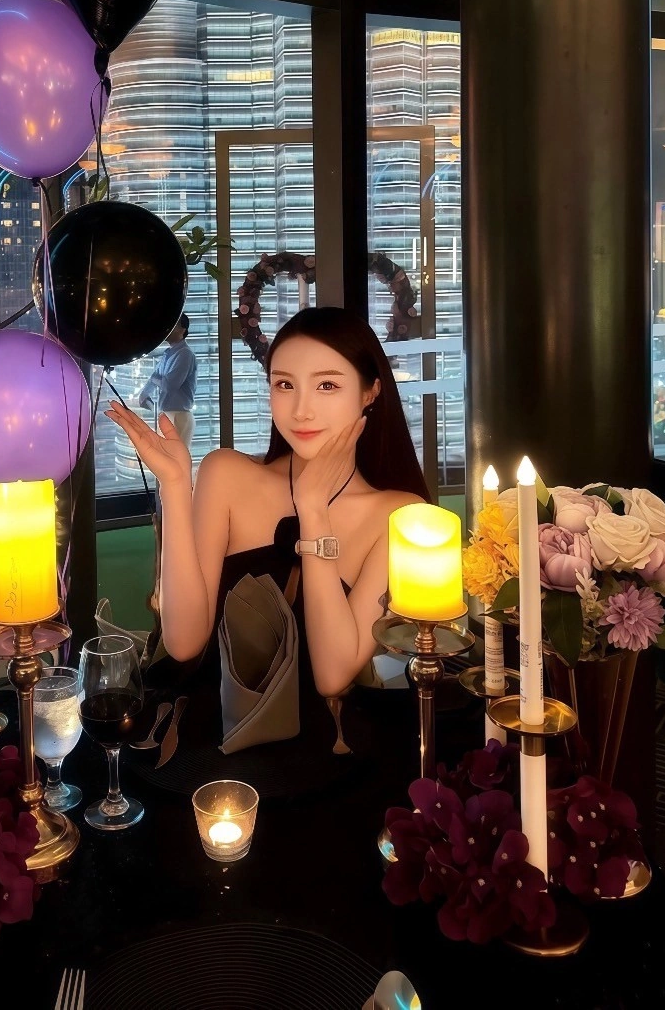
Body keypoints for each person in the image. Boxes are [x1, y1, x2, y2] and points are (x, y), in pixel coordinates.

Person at [106, 305, 428, 729]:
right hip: (208, 730)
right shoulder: (226, 473)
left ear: (370, 392)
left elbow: (332, 677)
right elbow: (183, 644)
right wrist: (174, 485)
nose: (301, 410)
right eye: (284, 384)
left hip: (327, 743)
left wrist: (313, 511)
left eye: (327, 385)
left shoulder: (399, 514)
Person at [136, 312, 197, 446]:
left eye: (174, 325)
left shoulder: (185, 354)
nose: (168, 329)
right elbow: (156, 377)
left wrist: (155, 381)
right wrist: (144, 394)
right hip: (168, 414)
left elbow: (169, 385)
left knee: (176, 455)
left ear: (183, 330)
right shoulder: (168, 353)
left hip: (179, 415)